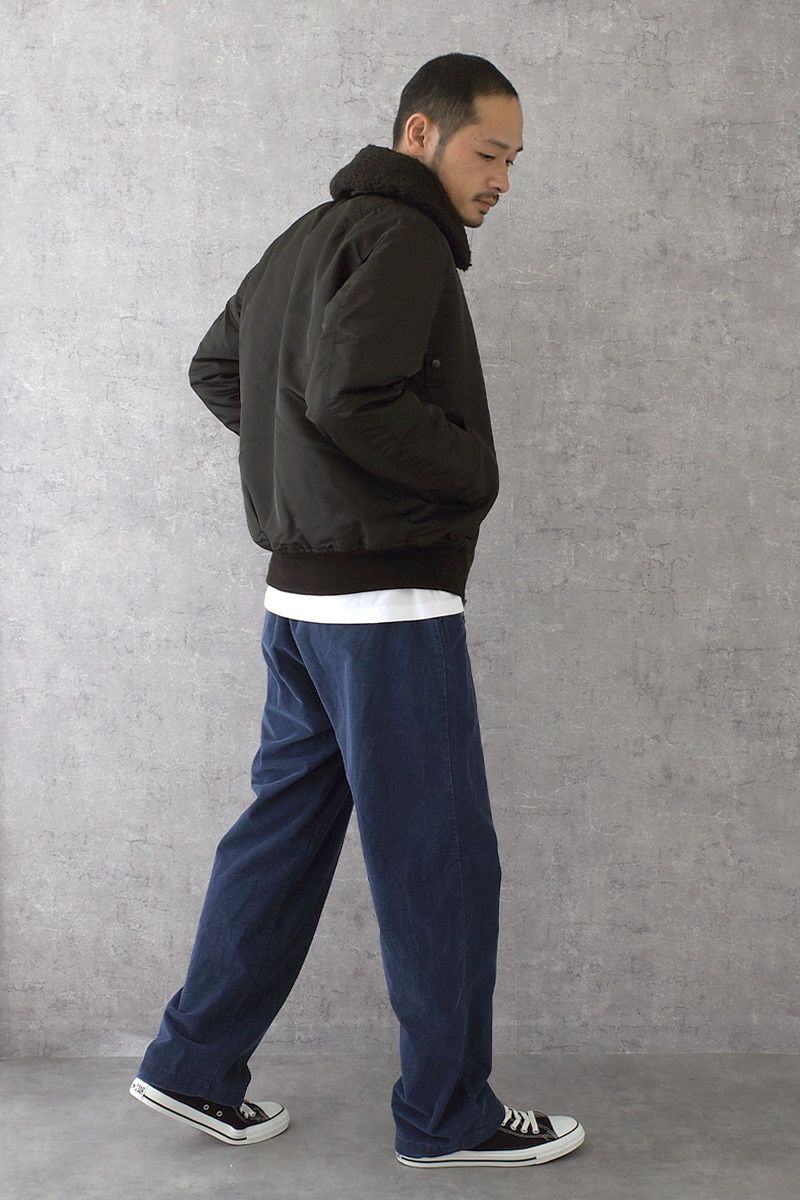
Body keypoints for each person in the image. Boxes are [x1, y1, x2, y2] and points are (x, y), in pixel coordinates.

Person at [129, 51, 586, 1169]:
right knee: (440, 859)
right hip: (385, 606)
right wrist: (469, 474)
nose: (502, 180)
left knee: (281, 838)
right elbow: (347, 394)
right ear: (420, 135)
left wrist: (309, 474)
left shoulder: (306, 234)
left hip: (298, 602)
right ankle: (447, 1115)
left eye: (515, 161)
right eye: (489, 154)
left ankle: (190, 1065)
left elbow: (220, 369)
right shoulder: (406, 238)